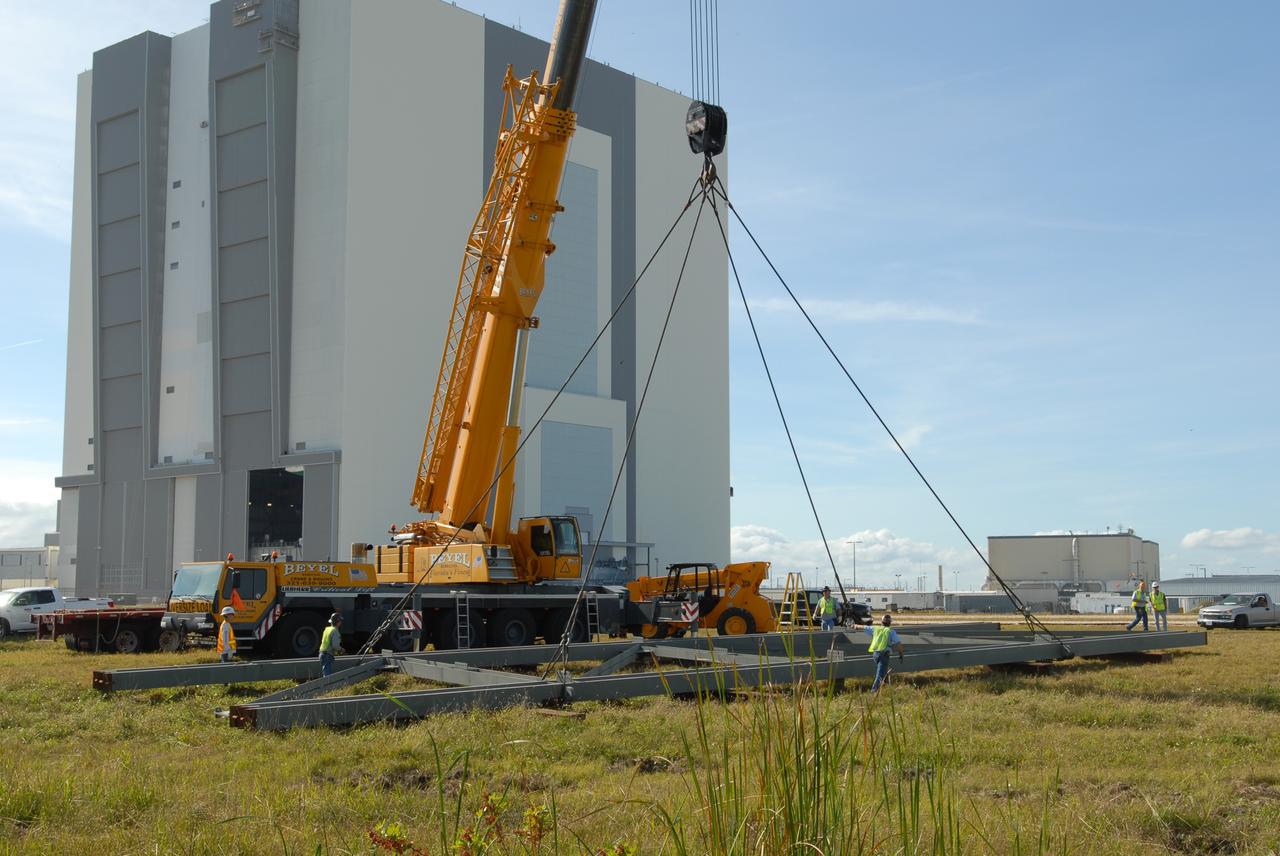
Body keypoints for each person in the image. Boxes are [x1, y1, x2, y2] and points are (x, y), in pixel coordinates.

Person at [861, 613, 904, 692]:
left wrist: (853, 625)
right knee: (880, 674)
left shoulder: (875, 628)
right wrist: (901, 654)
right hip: (883, 655)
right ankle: (874, 691)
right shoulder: (891, 632)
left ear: (881, 622)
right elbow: (899, 645)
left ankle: (886, 686)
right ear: (890, 623)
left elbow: (862, 627)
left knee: (884, 670)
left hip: (875, 655)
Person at [319, 612, 344, 677]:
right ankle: (328, 686)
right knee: (327, 675)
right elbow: (335, 645)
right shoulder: (335, 631)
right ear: (338, 622)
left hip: (321, 653)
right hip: (327, 654)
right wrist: (341, 649)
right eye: (340, 621)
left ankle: (327, 685)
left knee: (325, 671)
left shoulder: (327, 629)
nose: (341, 623)